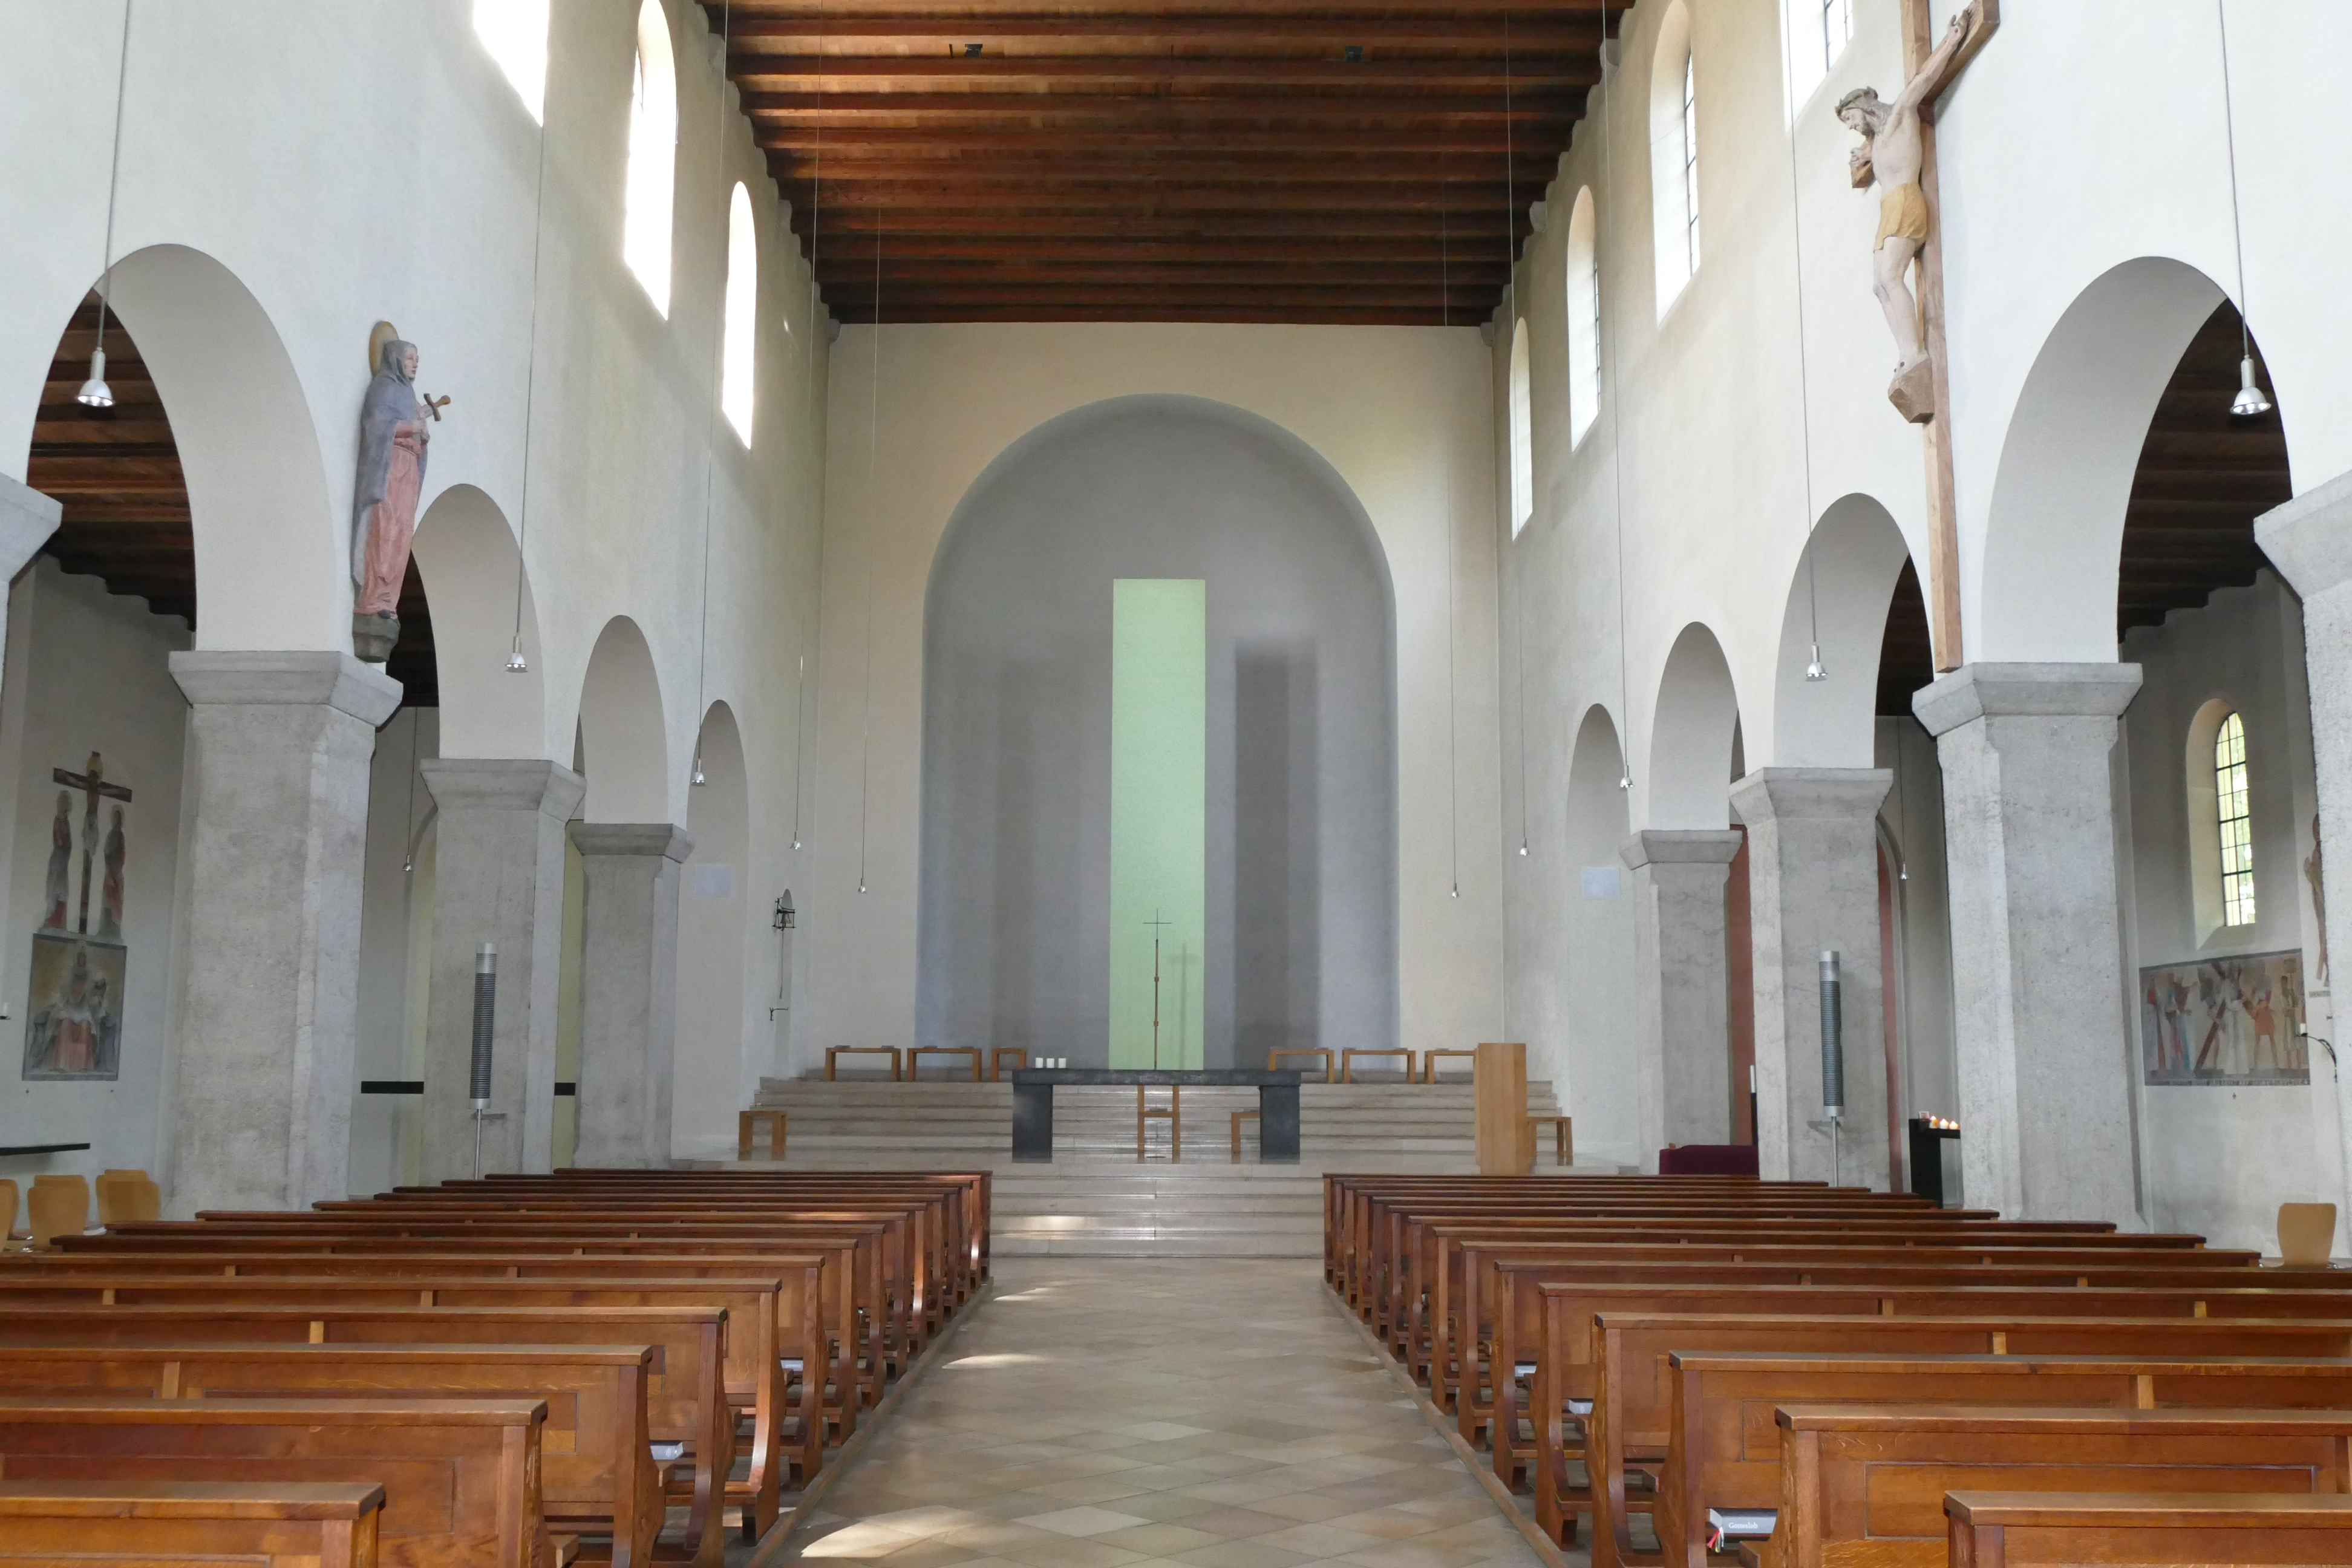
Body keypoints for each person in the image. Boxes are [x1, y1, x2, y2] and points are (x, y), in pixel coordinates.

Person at [1836, 11, 1974, 378]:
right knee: (1878, 285)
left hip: (1906, 201)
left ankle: (1915, 353)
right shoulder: (1877, 141)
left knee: (1892, 278)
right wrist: (1865, 153)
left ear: (1863, 108)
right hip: (1888, 208)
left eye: (1851, 120)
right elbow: (1873, 154)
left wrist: (1952, 40)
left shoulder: (1899, 115)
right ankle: (1905, 353)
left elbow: (1925, 77)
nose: (1853, 128)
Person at [351, 338, 430, 629]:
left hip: (408, 468)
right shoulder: (384, 387)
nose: (415, 364)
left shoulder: (410, 398)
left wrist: (421, 435)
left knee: (400, 534)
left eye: (417, 359)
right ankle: (372, 598)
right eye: (410, 358)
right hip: (390, 464)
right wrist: (412, 427)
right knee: (384, 528)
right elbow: (376, 424)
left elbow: (418, 437)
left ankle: (389, 600)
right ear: (396, 360)